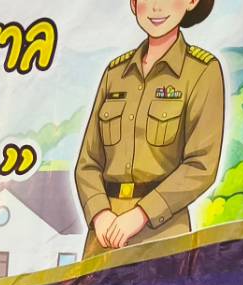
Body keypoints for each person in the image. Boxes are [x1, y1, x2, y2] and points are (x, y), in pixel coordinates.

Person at [74, 0, 225, 258]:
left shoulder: (202, 71)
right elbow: (88, 161)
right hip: (105, 236)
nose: (157, 7)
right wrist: (99, 213)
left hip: (163, 235)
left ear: (191, 2)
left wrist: (141, 214)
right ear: (133, 4)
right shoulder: (115, 73)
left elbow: (201, 166)